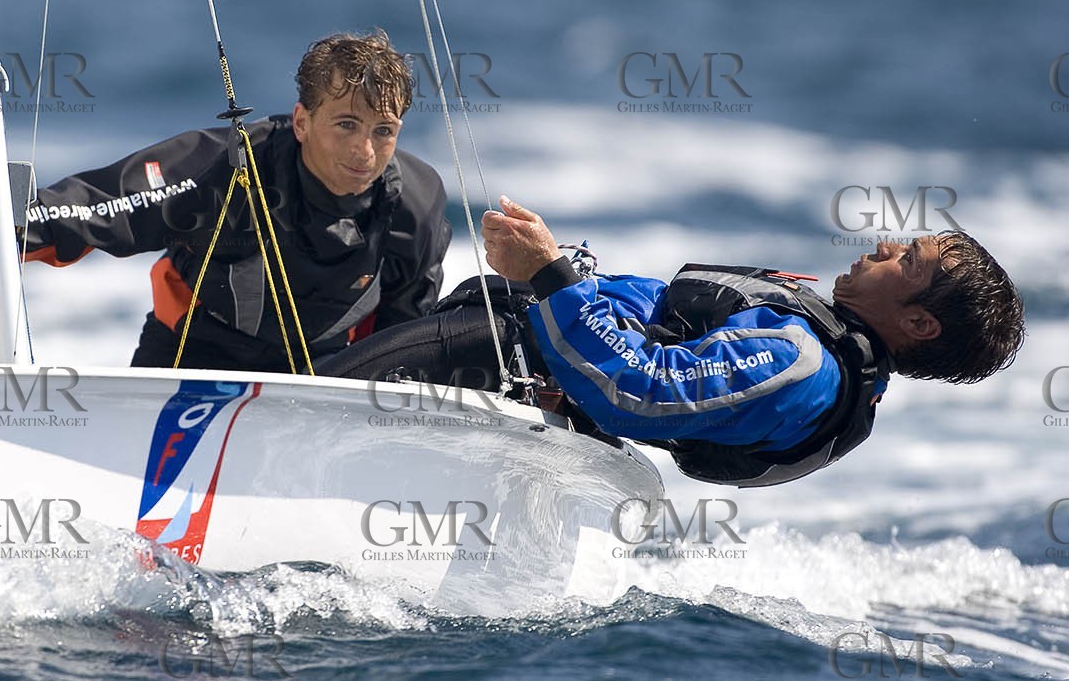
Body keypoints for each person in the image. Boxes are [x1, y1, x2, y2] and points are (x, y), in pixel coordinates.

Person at [323, 195, 1026, 487]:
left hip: (503, 359)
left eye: (908, 260)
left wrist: (551, 274)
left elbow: (645, 389)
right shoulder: (823, 355)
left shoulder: (802, 363)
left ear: (919, 323)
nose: (885, 245)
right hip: (524, 358)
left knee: (315, 391)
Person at [0, 31, 451, 372]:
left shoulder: (415, 205)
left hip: (320, 378)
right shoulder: (225, 168)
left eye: (383, 131)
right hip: (191, 361)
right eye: (346, 125)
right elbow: (86, 209)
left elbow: (405, 337)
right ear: (302, 121)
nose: (365, 152)